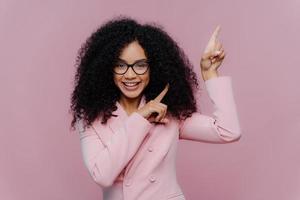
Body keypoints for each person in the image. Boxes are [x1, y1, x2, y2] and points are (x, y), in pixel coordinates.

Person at [70, 16, 242, 200]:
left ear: (154, 68)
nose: (130, 75)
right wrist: (139, 119)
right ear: (107, 68)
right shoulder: (90, 116)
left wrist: (210, 73)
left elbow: (227, 131)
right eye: (120, 65)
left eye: (140, 65)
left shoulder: (169, 112)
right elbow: (103, 175)